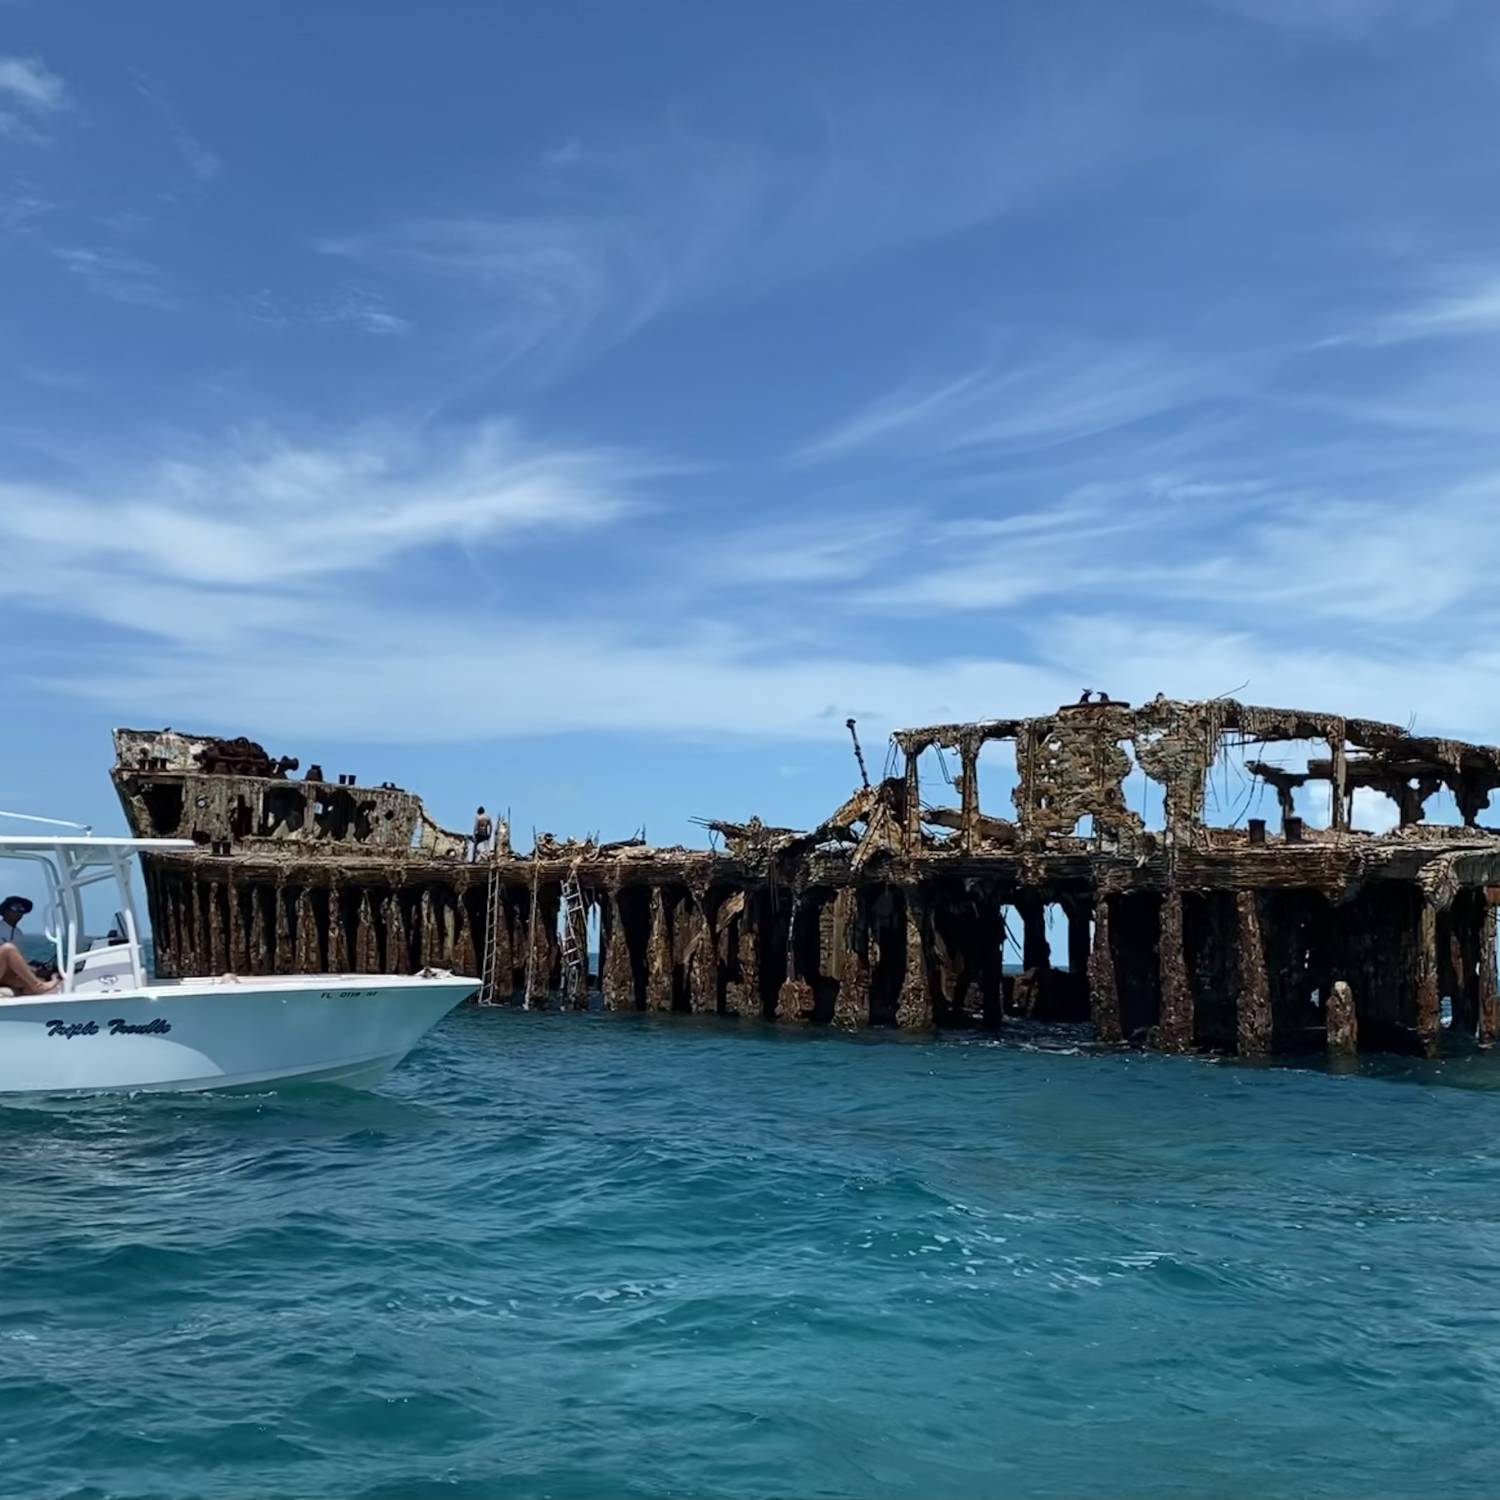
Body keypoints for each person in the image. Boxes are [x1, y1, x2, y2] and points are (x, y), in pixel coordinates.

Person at [0, 896, 58, 996]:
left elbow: (14, 961)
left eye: (21, 909)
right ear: (5, 910)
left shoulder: (18, 934)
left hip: (5, 974)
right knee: (8, 949)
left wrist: (33, 969)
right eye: (15, 908)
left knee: (31, 982)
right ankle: (38, 986)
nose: (19, 912)